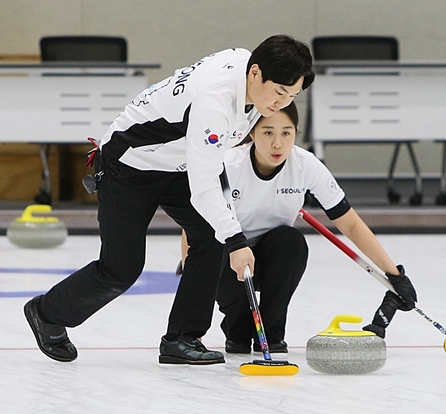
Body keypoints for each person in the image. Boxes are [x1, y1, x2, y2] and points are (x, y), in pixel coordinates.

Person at [23, 34, 315, 365]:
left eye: (291, 96)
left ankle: (182, 337)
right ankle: (47, 312)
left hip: (179, 162)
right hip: (130, 164)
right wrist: (237, 241)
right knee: (121, 268)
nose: (281, 104)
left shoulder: (247, 71)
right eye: (279, 92)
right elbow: (205, 183)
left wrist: (227, 234)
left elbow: (208, 163)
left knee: (210, 236)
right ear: (255, 73)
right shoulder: (214, 101)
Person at [178, 101, 417, 353]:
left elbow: (350, 223)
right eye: (268, 132)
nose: (277, 143)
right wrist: (192, 280)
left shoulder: (306, 165)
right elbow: (194, 228)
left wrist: (395, 275)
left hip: (273, 259)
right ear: (251, 132)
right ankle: (237, 326)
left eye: (286, 133)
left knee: (291, 241)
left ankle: (271, 333)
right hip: (226, 259)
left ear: (296, 132)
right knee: (238, 336)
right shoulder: (228, 165)